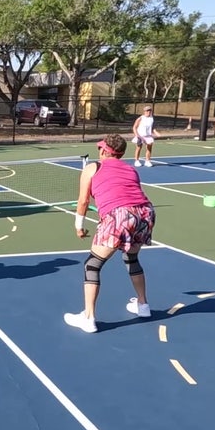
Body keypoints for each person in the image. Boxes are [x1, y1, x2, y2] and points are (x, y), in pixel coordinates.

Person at [65, 133, 156, 333]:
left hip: (120, 215)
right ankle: (143, 306)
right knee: (131, 258)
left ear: (105, 151)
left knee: (92, 265)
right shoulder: (131, 169)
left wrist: (78, 225)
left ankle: (88, 318)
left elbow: (83, 201)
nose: (99, 151)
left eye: (100, 148)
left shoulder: (92, 168)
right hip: (145, 213)